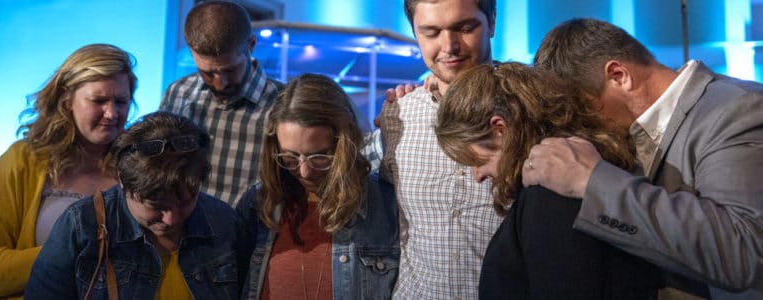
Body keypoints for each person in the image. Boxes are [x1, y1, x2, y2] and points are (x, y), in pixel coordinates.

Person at [524, 18, 763, 298]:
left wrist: (592, 181)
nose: (582, 129)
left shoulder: (738, 108)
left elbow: (744, 250)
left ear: (618, 75)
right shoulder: (627, 134)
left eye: (583, 112)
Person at [435, 62, 662, 298]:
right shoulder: (575, 171)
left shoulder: (552, 196)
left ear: (499, 129)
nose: (478, 175)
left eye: (475, 159)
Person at [0, 43, 136, 299]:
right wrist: (65, 252)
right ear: (67, 99)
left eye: (121, 101)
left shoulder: (137, 166)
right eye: (99, 100)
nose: (112, 113)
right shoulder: (22, 161)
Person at [25, 111, 245, 299]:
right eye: (156, 204)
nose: (171, 219)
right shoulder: (82, 225)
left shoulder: (222, 221)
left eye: (186, 201)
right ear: (122, 180)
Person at [374, 0, 502, 298]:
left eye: (465, 27)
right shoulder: (397, 115)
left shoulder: (532, 108)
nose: (449, 46)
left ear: (492, 22)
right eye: (431, 32)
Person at [236, 73, 399, 299]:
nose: (304, 171)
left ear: (345, 143)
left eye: (319, 157)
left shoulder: (384, 205)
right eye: (290, 157)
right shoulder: (258, 204)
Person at [160, 0, 283, 205]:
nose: (220, 83)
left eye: (230, 70)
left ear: (251, 45)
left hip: (252, 235)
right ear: (191, 52)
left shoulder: (283, 104)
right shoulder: (178, 93)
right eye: (207, 73)